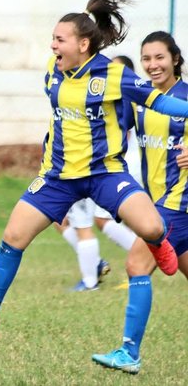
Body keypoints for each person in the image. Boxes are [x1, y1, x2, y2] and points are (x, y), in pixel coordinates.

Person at [0, 0, 186, 346]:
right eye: (53, 39)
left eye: (60, 39)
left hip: (104, 173)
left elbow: (160, 102)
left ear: (83, 44)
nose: (53, 45)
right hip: (57, 177)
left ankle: (158, 243)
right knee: (13, 238)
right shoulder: (52, 70)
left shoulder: (113, 74)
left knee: (153, 226)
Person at [92, 31, 188, 374]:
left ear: (175, 59)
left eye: (160, 57)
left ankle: (130, 353)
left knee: (136, 265)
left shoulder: (186, 99)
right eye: (146, 59)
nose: (152, 65)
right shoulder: (141, 101)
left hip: (176, 204)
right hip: (157, 202)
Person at [54, 55, 139, 292]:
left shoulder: (120, 98)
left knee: (89, 222)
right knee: (58, 218)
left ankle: (92, 280)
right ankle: (96, 263)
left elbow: (123, 135)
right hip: (96, 166)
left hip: (102, 168)